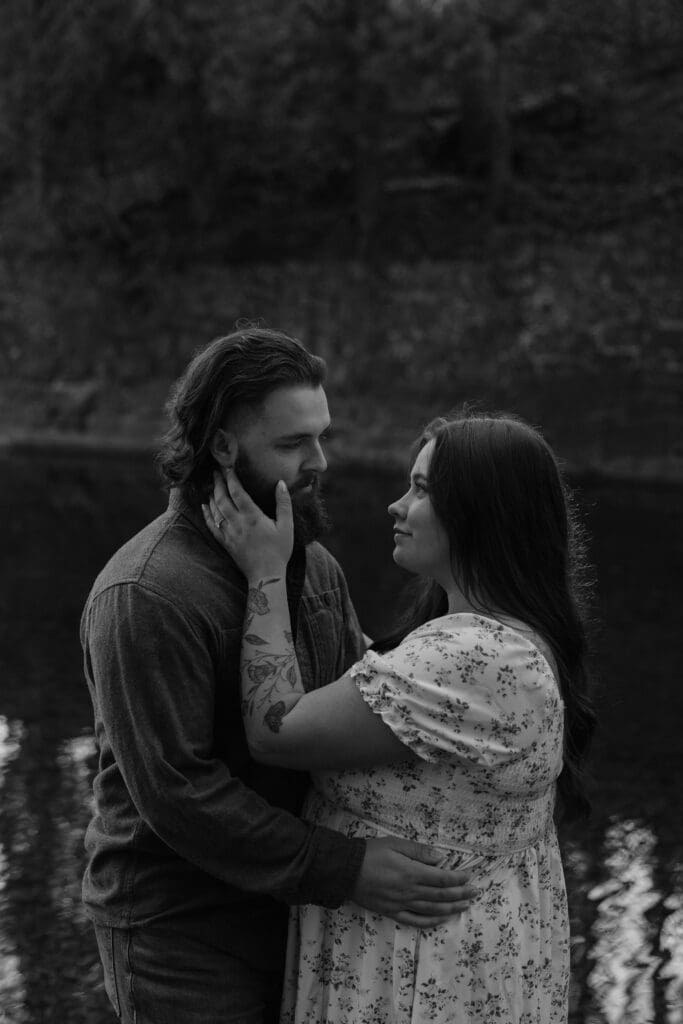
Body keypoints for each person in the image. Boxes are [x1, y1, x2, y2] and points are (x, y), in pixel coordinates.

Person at [80, 327, 476, 1024]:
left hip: (296, 908)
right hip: (182, 932)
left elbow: (352, 706)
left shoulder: (313, 565)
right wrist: (346, 868)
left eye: (320, 436)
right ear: (224, 447)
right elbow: (179, 794)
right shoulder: (146, 593)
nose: (320, 461)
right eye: (292, 445)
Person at [203, 407, 596, 1024]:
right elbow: (378, 686)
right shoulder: (500, 639)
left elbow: (274, 727)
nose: (396, 505)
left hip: (417, 973)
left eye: (421, 489)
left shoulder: (474, 659)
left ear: (479, 514)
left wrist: (265, 572)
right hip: (458, 959)